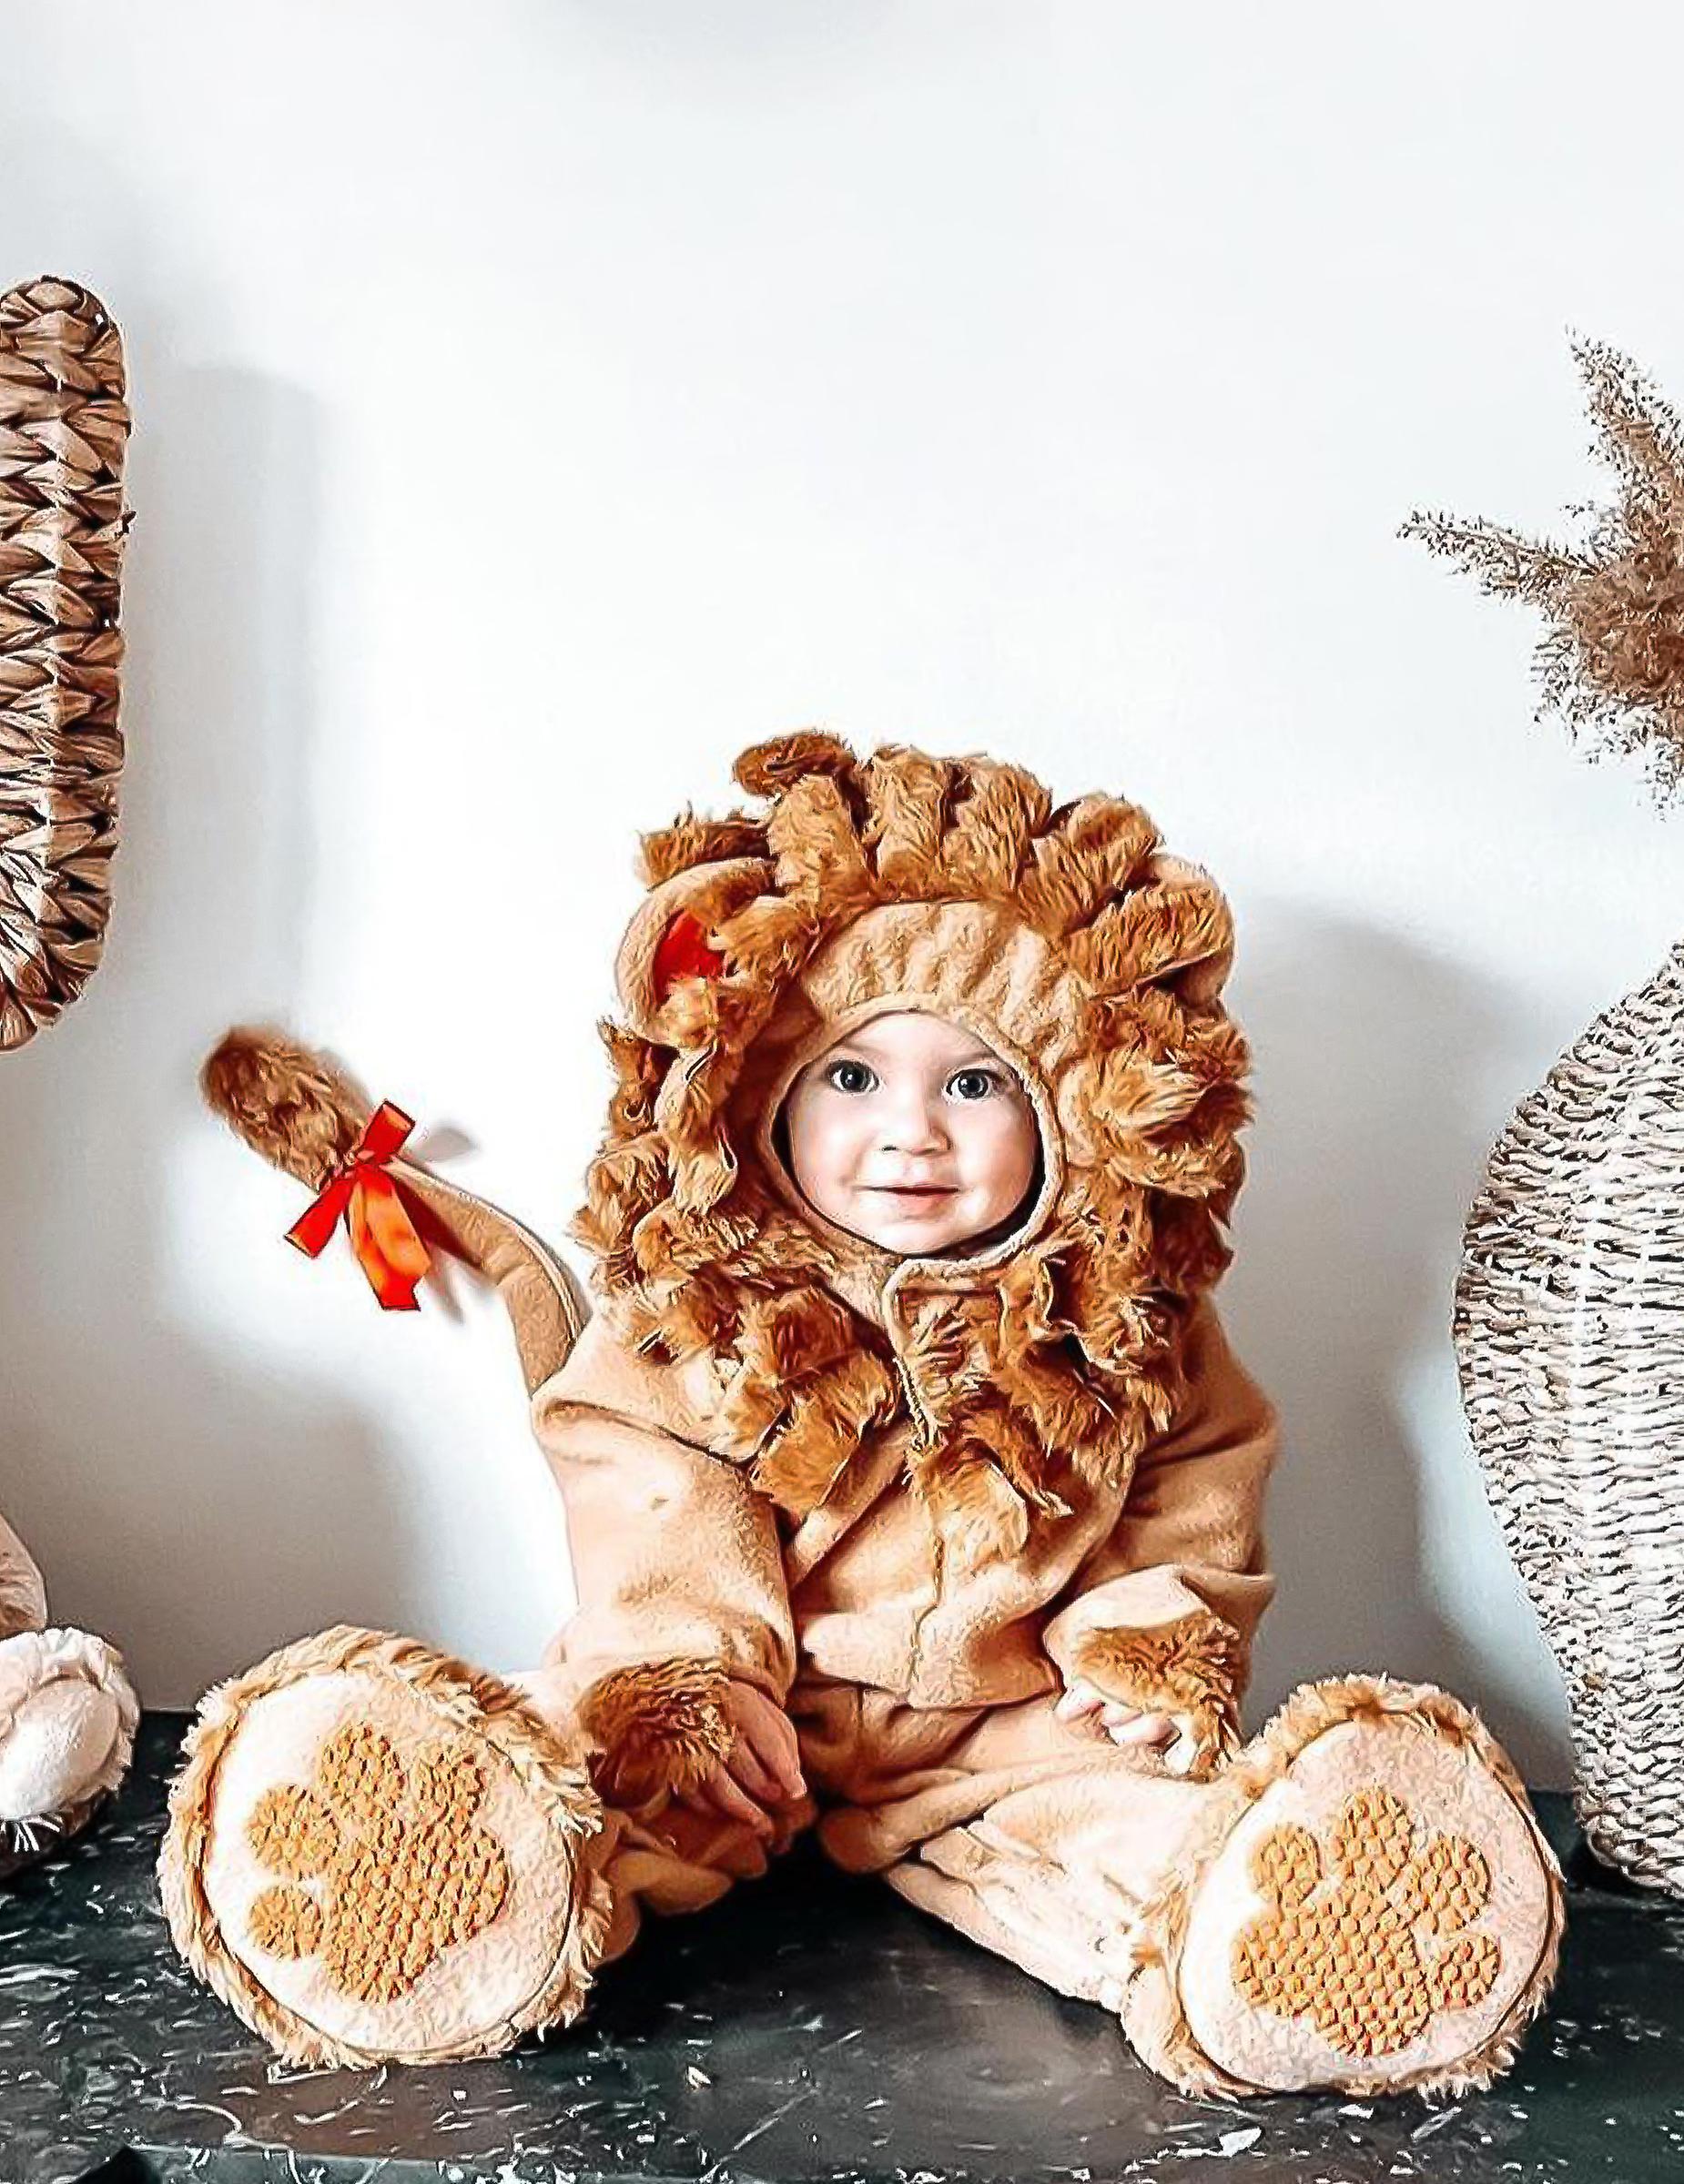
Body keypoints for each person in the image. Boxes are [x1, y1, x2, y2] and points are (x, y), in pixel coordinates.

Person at [162, 733, 1562, 2098]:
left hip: (1006, 1737)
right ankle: (432, 1871)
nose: (911, 1132)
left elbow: (1194, 1486)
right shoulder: (695, 1308)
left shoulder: (1129, 1325)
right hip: (737, 1722)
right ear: (756, 1097)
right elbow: (644, 1488)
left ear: (1075, 1111)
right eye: (850, 1077)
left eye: (972, 1083)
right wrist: (688, 1674)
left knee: (1119, 1837)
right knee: (586, 1758)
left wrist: (1141, 1652)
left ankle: (1286, 1929)